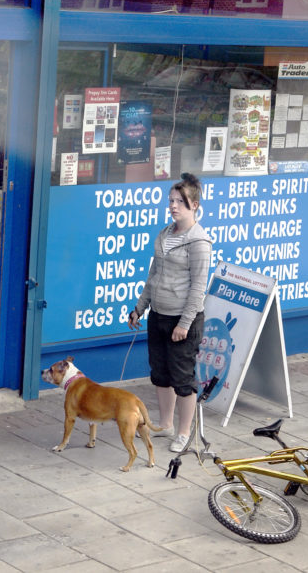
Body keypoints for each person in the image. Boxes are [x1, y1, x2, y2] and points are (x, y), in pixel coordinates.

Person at [128, 172, 212, 452]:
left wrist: (185, 324)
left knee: (182, 378)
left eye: (180, 201)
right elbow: (154, 274)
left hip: (182, 321)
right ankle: (166, 424)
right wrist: (140, 308)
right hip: (159, 316)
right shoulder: (165, 234)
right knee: (160, 373)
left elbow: (198, 287)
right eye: (171, 200)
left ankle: (185, 432)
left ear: (195, 206)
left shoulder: (199, 243)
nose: (173, 206)